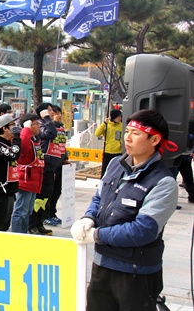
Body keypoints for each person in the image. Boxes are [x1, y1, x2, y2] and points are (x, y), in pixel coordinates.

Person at [71, 109, 178, 310]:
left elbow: (142, 231)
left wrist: (97, 235)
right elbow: (99, 198)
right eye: (127, 130)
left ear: (154, 140)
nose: (127, 138)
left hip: (136, 273)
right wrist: (89, 218)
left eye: (135, 134)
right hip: (102, 266)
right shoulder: (115, 165)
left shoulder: (163, 182)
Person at [11, 113, 44, 234]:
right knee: (20, 211)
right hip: (26, 180)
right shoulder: (25, 139)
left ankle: (23, 234)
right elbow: (23, 146)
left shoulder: (35, 140)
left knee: (28, 211)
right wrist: (25, 129)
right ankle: (16, 235)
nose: (39, 126)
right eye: (35, 124)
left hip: (34, 181)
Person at [0, 114, 22, 231]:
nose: (16, 127)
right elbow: (14, 155)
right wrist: (17, 136)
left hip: (9, 190)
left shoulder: (7, 142)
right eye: (13, 125)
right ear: (5, 128)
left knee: (5, 224)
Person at [28, 103, 57, 235]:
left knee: (45, 197)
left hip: (50, 167)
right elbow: (51, 133)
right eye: (49, 111)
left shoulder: (49, 124)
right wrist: (46, 119)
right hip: (41, 167)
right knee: (38, 198)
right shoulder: (41, 126)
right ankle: (32, 223)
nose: (52, 113)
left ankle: (39, 222)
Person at [43, 105, 70, 226]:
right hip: (50, 164)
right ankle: (45, 215)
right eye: (55, 113)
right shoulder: (47, 128)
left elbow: (61, 146)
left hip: (60, 163)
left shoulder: (61, 128)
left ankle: (52, 213)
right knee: (49, 191)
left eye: (60, 113)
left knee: (56, 191)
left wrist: (65, 159)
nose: (59, 115)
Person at [95, 109, 123, 177]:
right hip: (108, 152)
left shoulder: (121, 125)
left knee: (117, 171)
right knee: (105, 171)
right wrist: (104, 123)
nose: (120, 118)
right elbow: (97, 134)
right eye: (119, 116)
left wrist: (122, 143)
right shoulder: (107, 125)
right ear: (114, 117)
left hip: (118, 152)